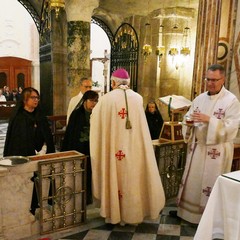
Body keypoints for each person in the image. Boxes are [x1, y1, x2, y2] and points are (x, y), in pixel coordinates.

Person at [90, 68, 165, 225]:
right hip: (135, 148)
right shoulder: (138, 98)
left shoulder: (107, 99)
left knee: (116, 177)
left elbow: (95, 119)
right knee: (133, 177)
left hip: (114, 148)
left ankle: (115, 214)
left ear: (113, 82)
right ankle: (135, 213)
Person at [175, 64, 240, 224]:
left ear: (223, 79)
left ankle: (208, 219)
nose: (210, 83)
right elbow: (188, 117)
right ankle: (187, 214)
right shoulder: (199, 98)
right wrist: (188, 123)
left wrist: (209, 120)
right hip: (198, 149)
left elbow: (232, 127)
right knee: (194, 183)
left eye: (214, 80)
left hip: (216, 152)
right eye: (208, 79)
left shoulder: (231, 101)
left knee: (209, 184)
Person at [61, 90, 99, 205]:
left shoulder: (96, 114)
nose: (94, 103)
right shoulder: (77, 114)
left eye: (96, 101)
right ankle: (77, 198)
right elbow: (71, 134)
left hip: (92, 149)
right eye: (91, 100)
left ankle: (88, 198)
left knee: (90, 174)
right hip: (78, 148)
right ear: (85, 101)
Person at [4, 87, 55, 157]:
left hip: (42, 153)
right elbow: (16, 140)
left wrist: (44, 148)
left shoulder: (40, 115)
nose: (36, 100)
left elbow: (47, 135)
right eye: (33, 97)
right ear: (25, 100)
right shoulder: (18, 117)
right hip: (22, 155)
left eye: (37, 98)